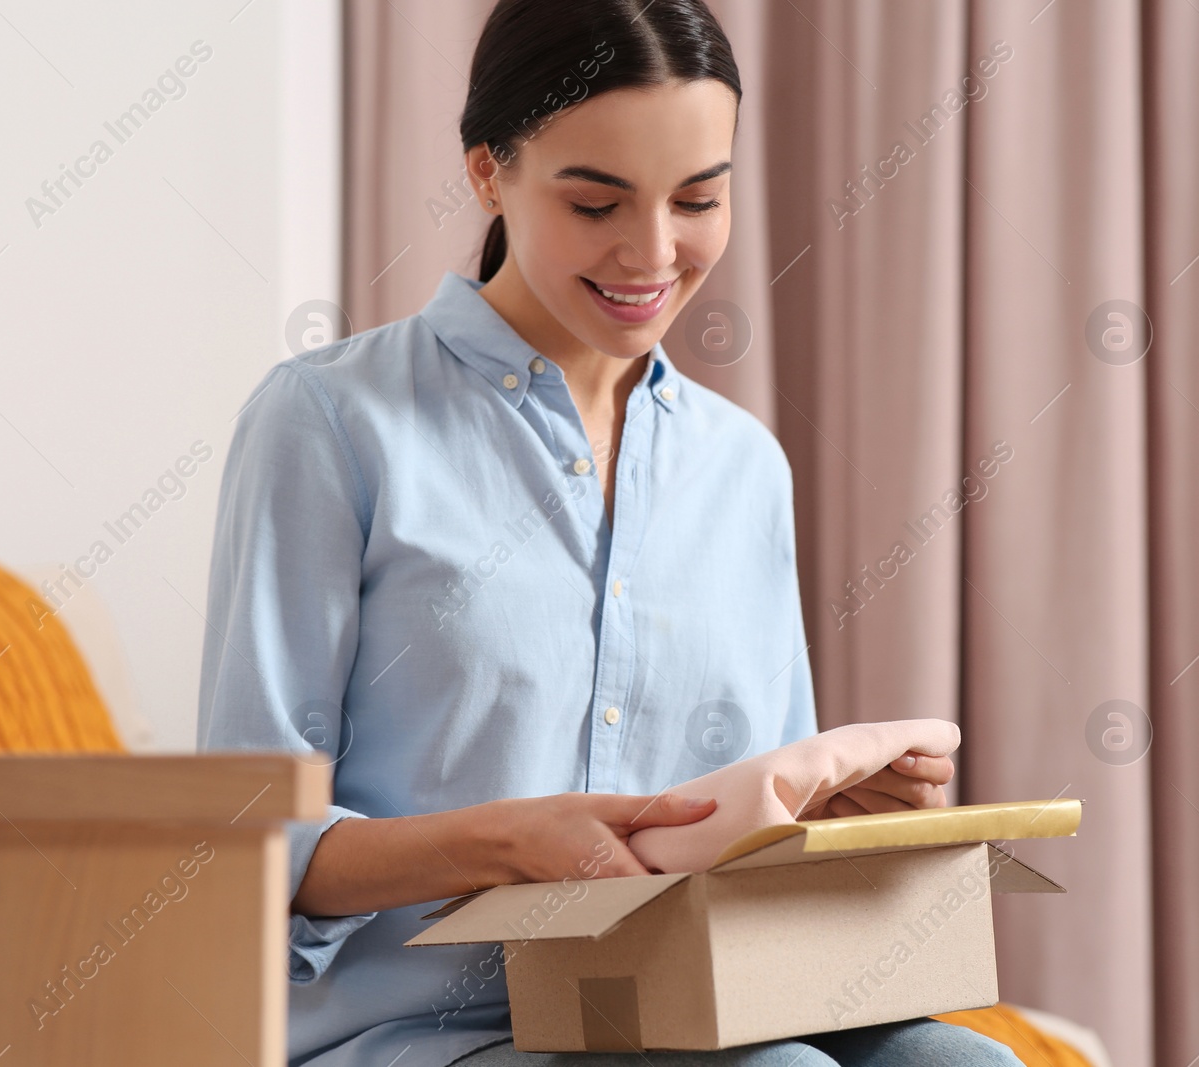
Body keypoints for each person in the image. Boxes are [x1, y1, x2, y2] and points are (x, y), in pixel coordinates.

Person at [197, 1, 1023, 1065]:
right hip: (419, 1031)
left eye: (698, 199)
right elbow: (245, 844)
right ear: (489, 172)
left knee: (967, 1061)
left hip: (683, 999)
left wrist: (829, 815)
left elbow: (754, 851)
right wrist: (497, 843)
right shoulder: (330, 422)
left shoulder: (739, 466)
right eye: (596, 202)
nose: (653, 252)